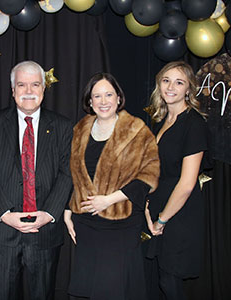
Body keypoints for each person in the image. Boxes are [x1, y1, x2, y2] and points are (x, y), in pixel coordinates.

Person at [0, 60, 73, 300]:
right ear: (12, 91)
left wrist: (49, 214)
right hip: (4, 231)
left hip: (45, 231)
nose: (29, 91)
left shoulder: (63, 126)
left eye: (35, 84)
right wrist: (4, 213)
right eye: (21, 85)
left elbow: (67, 173)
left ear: (44, 89)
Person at [64, 73, 160, 300]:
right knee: (87, 289)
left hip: (121, 224)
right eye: (97, 96)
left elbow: (150, 174)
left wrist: (109, 199)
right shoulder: (80, 130)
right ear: (89, 102)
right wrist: (68, 210)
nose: (103, 101)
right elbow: (74, 174)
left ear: (118, 98)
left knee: (113, 289)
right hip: (86, 223)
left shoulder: (137, 130)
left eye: (109, 94)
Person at [144, 61, 208, 300]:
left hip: (180, 214)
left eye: (179, 82)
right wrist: (150, 210)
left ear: (188, 89)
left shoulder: (194, 124)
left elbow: (187, 183)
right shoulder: (160, 122)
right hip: (161, 208)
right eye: (166, 80)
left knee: (170, 282)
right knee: (164, 280)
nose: (171, 87)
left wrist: (162, 220)